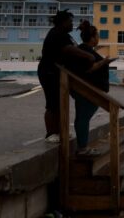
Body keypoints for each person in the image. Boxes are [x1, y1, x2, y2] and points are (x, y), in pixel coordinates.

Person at [37, 10, 95, 143]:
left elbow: (74, 47)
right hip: (49, 72)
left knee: (59, 102)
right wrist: (88, 56)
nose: (72, 24)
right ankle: (51, 133)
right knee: (52, 103)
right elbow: (68, 49)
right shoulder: (56, 34)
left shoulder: (64, 35)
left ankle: (60, 130)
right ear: (63, 22)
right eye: (70, 22)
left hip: (59, 73)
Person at [69, 21, 116, 156]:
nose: (98, 38)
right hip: (87, 91)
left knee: (83, 118)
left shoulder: (85, 50)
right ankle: (82, 148)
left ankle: (82, 147)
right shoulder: (84, 51)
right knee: (83, 118)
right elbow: (87, 69)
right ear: (92, 37)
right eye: (97, 36)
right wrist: (104, 62)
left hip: (90, 90)